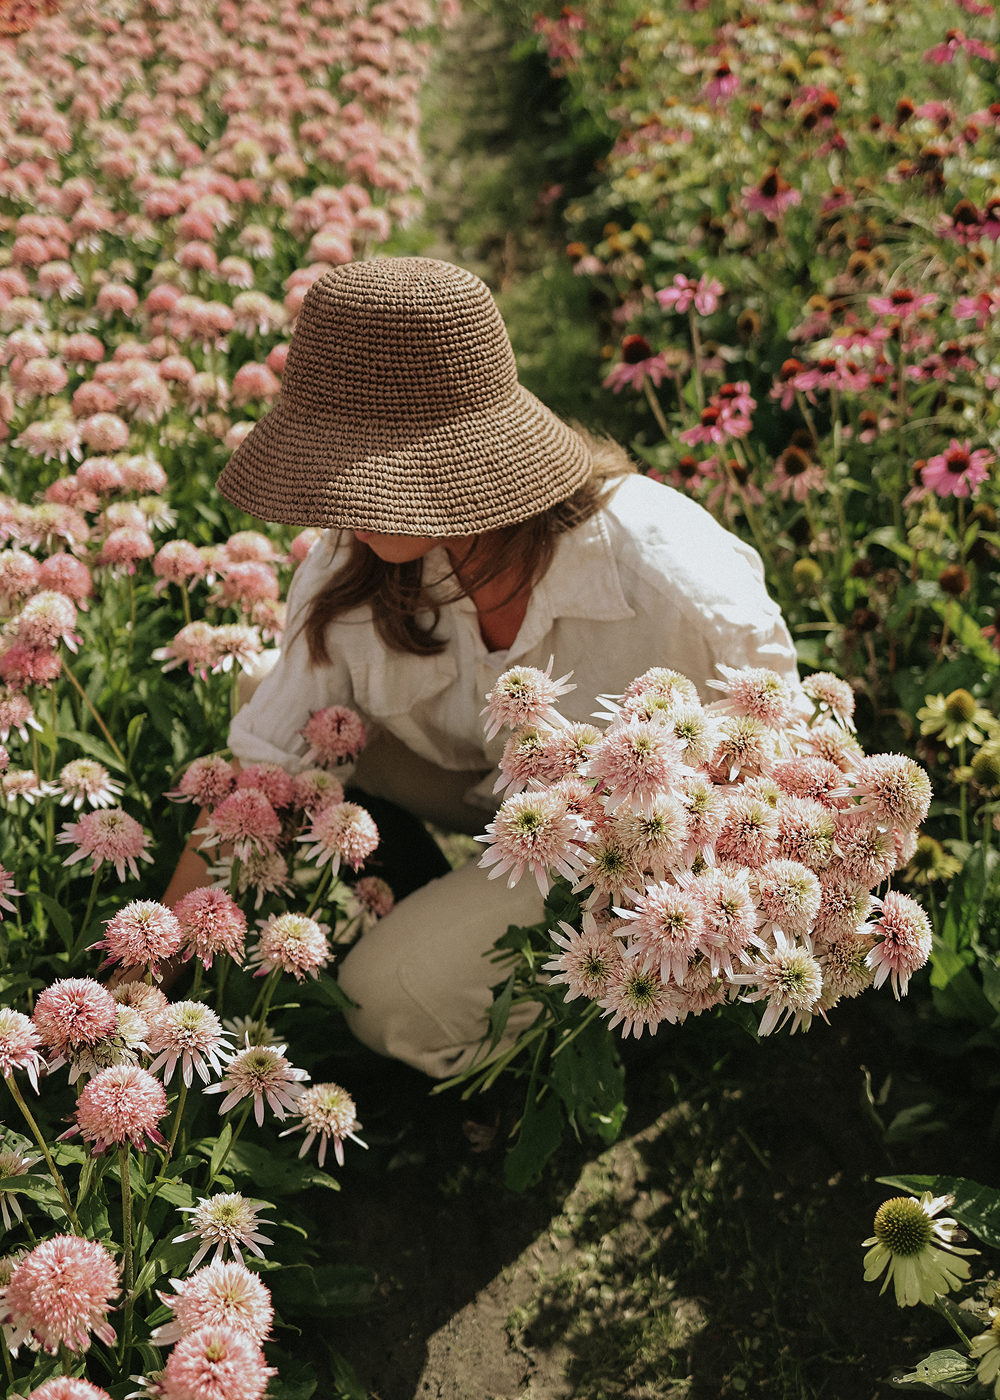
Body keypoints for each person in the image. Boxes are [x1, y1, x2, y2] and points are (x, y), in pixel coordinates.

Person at [164, 255, 800, 1080]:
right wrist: (139, 984)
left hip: (625, 857)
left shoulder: (668, 581)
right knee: (270, 694)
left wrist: (694, 933)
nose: (341, 496)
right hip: (491, 794)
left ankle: (594, 1020)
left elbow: (776, 784)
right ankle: (432, 892)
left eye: (367, 462)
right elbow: (258, 779)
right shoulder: (362, 558)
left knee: (385, 997)